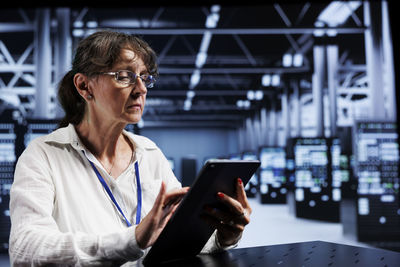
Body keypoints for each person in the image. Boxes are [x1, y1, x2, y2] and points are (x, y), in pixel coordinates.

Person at [9, 30, 252, 266]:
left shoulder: (150, 154)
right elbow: (26, 248)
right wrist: (132, 239)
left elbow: (177, 239)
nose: (141, 89)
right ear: (84, 86)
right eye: (124, 76)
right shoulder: (43, 155)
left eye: (145, 77)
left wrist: (222, 236)